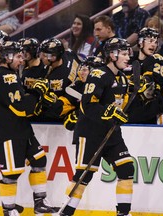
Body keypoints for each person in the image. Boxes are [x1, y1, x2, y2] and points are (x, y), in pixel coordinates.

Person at [59, 38, 134, 216]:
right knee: (84, 175)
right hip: (90, 133)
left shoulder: (122, 77)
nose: (127, 57)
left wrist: (121, 112)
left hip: (111, 133)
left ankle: (123, 213)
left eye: (127, 53)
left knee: (127, 168)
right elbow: (87, 105)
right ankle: (65, 212)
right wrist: (109, 112)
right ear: (112, 55)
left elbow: (118, 105)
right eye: (123, 54)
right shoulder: (99, 74)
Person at [0, 40, 58, 215]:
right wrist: (37, 93)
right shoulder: (7, 76)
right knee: (11, 174)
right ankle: (9, 209)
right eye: (19, 56)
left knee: (39, 160)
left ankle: (40, 202)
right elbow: (20, 108)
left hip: (17, 128)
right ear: (8, 56)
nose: (22, 60)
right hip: (8, 131)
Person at [128, 27, 163, 124]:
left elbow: (151, 85)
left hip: (154, 111)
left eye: (156, 42)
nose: (153, 45)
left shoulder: (157, 59)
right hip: (134, 111)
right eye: (150, 41)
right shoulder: (129, 59)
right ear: (140, 42)